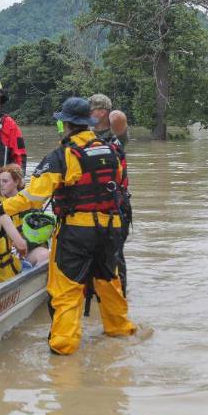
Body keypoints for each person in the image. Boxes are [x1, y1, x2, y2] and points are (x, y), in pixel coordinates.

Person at [0, 97, 135, 355]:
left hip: (77, 232)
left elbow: (34, 196)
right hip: (111, 229)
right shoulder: (112, 150)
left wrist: (1, 209)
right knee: (109, 284)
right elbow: (121, 185)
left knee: (66, 290)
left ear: (65, 125)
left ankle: (63, 352)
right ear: (87, 123)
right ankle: (120, 331)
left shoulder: (63, 156)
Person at [89, 93, 132, 294]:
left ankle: (120, 294)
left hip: (117, 205)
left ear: (102, 112)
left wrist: (112, 113)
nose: (89, 112)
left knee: (115, 255)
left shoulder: (117, 136)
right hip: (91, 205)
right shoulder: (85, 135)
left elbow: (119, 118)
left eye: (93, 109)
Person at [0, 164, 50, 265]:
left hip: (26, 252)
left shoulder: (31, 204)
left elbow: (39, 236)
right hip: (3, 253)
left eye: (5, 181)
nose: (1, 185)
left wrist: (22, 243)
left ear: (16, 182)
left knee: (45, 255)